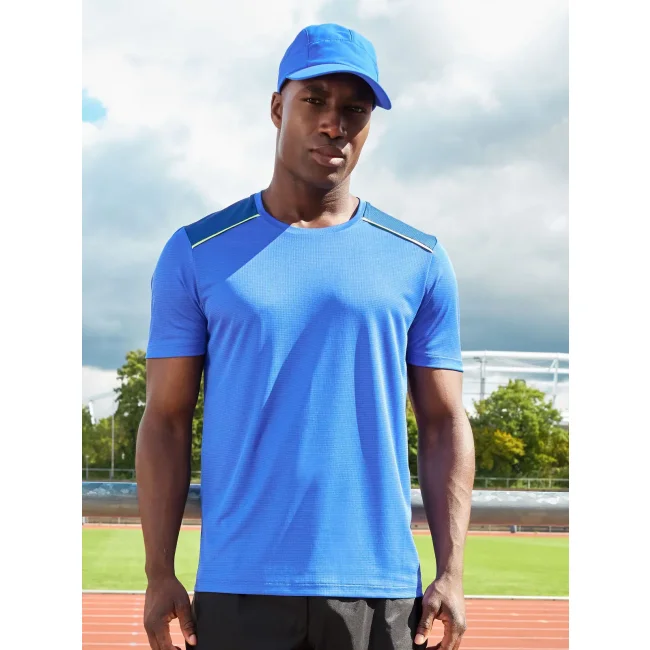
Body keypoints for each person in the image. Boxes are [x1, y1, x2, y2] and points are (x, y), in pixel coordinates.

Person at [137, 22, 475, 650]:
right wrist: (160, 572)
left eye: (355, 109)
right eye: (314, 100)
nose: (333, 124)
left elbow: (443, 421)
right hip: (240, 584)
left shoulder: (420, 258)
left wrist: (452, 571)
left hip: (378, 588)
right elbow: (165, 420)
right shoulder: (197, 252)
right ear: (277, 108)